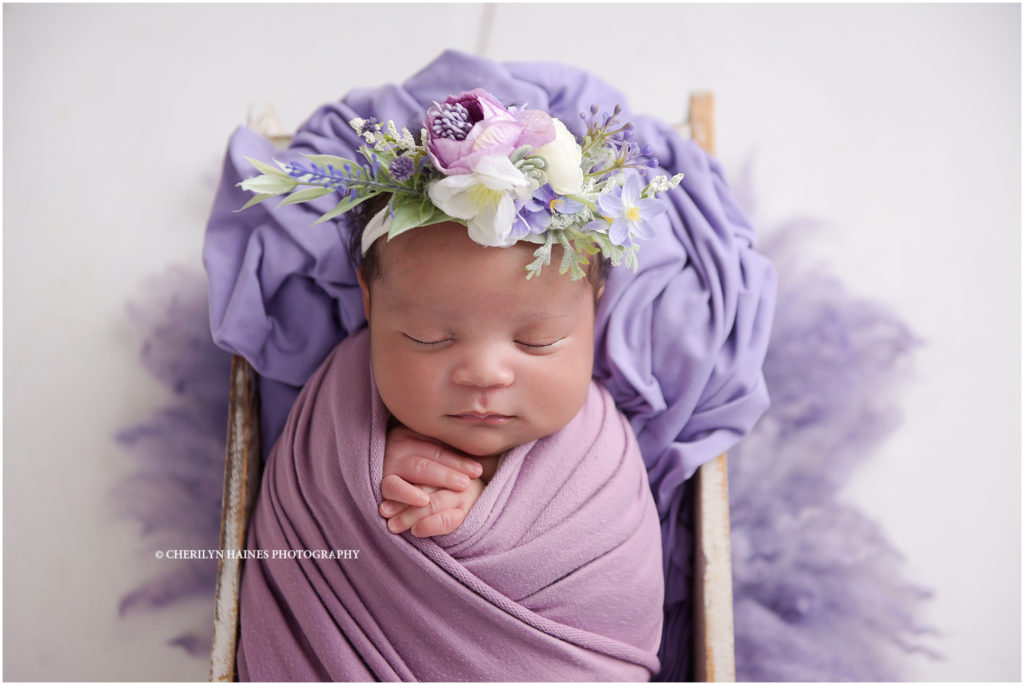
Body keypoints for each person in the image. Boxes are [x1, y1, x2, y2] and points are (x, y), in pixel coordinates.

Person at [231, 88, 678, 680]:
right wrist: (373, 490)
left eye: (538, 341)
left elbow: (613, 607)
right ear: (369, 306)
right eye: (427, 337)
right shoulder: (334, 418)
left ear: (595, 308)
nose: (485, 374)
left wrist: (483, 503)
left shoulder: (600, 460)